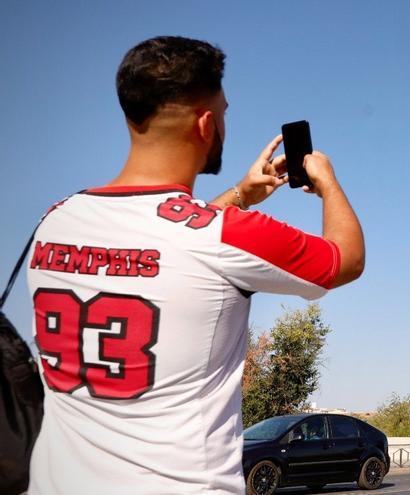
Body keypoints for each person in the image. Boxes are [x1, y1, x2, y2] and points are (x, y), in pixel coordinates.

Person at [25, 36, 364, 494]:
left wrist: (242, 194)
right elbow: (344, 260)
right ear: (206, 124)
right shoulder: (230, 235)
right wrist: (328, 184)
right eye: (223, 111)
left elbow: (165, 235)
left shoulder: (55, 220)